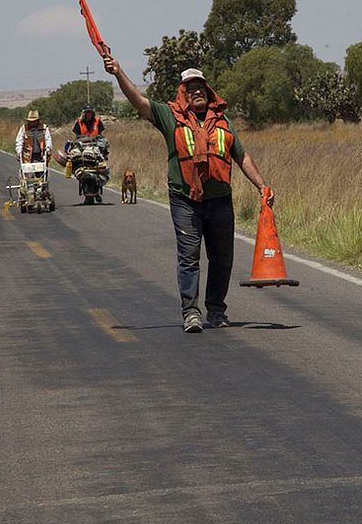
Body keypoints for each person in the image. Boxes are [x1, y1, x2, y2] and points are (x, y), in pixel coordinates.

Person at [104, 55, 273, 333]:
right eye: (190, 88)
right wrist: (118, 72)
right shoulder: (171, 117)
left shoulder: (223, 122)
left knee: (222, 257)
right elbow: (139, 101)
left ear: (208, 92)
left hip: (220, 201)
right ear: (183, 93)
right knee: (189, 256)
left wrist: (262, 185)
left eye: (200, 88)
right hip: (186, 201)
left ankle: (216, 310)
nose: (196, 92)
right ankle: (191, 312)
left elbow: (241, 156)